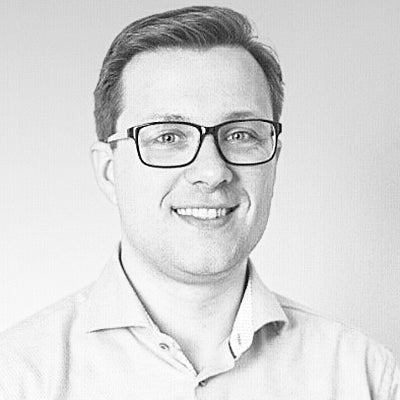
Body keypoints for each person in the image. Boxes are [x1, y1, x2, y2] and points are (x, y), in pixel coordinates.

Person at [0, 5, 398, 399]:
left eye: (240, 135)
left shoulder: (366, 377)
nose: (212, 171)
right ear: (109, 171)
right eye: (168, 136)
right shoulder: (17, 377)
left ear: (273, 161)